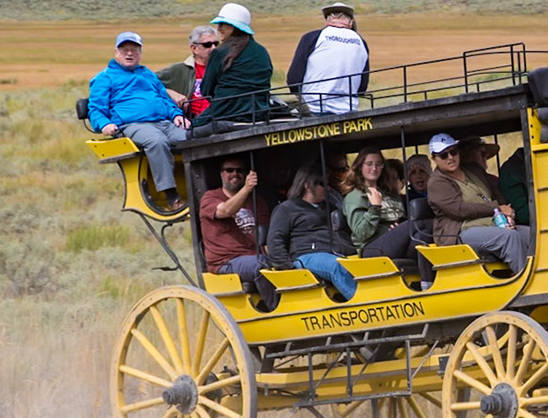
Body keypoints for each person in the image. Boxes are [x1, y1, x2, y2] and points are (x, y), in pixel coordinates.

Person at [86, 32, 189, 202]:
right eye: (125, 50)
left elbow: (164, 98)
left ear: (140, 53)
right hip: (133, 125)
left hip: (164, 122)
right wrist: (104, 124)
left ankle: (200, 186)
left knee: (190, 137)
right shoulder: (105, 78)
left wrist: (176, 115)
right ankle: (171, 195)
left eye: (134, 50)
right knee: (156, 141)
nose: (129, 53)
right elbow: (95, 109)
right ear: (116, 53)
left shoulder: (147, 74)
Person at [426, 132, 531, 275]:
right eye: (443, 155)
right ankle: (525, 281)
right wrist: (497, 208)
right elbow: (459, 210)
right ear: (434, 159)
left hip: (492, 223)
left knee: (531, 233)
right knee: (509, 238)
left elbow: (496, 194)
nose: (450, 157)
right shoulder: (436, 182)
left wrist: (508, 216)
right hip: (461, 232)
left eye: (453, 152)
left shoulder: (473, 170)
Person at [264, 165, 357, 300]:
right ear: (307, 185)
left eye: (328, 183)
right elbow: (275, 241)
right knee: (336, 266)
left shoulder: (330, 208)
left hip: (334, 252)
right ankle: (364, 303)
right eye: (322, 184)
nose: (328, 188)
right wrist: (289, 268)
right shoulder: (287, 208)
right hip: (306, 255)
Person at [198, 157, 277, 307]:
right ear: (221, 174)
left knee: (289, 259)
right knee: (260, 265)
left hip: (254, 254)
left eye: (240, 171)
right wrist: (247, 188)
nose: (235, 174)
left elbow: (263, 236)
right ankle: (277, 308)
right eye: (229, 170)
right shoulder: (210, 197)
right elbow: (226, 210)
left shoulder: (256, 201)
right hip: (225, 261)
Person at [198, 3, 274, 130]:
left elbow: (206, 90)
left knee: (189, 132)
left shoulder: (220, 52)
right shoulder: (262, 51)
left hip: (225, 111)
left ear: (235, 27)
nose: (219, 28)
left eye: (223, 24)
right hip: (258, 112)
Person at [285, 1, 370, 114]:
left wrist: (299, 97)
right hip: (348, 109)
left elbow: (294, 78)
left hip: (313, 107)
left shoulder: (313, 37)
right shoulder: (361, 42)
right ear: (350, 22)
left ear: (326, 21)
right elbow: (362, 85)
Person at [159, 25, 219, 118]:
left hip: (218, 117)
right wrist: (171, 93)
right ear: (194, 48)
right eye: (207, 45)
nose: (213, 48)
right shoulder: (180, 69)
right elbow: (149, 81)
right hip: (191, 120)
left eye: (216, 43)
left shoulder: (224, 68)